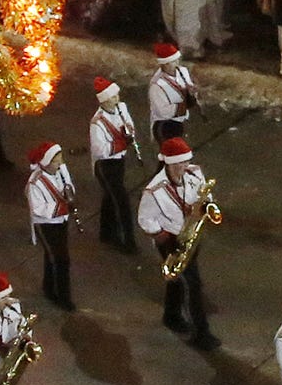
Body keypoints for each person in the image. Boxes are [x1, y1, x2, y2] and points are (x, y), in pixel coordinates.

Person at [141, 138, 219, 348]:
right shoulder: (154, 190)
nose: (182, 168)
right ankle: (201, 333)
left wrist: (207, 205)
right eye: (177, 164)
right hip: (171, 239)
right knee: (193, 285)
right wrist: (162, 235)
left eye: (184, 163)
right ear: (168, 163)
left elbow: (204, 193)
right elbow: (145, 219)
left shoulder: (194, 174)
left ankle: (171, 315)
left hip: (191, 232)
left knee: (177, 280)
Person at [92, 75, 141, 253]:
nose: (117, 99)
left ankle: (105, 232)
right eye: (112, 97)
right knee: (121, 202)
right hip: (105, 166)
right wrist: (122, 142)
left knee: (109, 197)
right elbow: (100, 150)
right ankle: (128, 241)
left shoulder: (121, 107)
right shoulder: (97, 123)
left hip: (119, 161)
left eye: (116, 95)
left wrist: (129, 132)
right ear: (103, 101)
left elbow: (129, 123)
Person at [26, 139, 77, 309]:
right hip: (45, 225)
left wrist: (69, 192)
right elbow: (38, 209)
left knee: (52, 256)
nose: (61, 163)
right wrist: (62, 207)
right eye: (56, 161)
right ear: (47, 162)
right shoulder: (35, 183)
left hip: (60, 221)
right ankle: (63, 297)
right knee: (61, 259)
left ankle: (48, 288)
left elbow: (68, 184)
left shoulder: (61, 169)